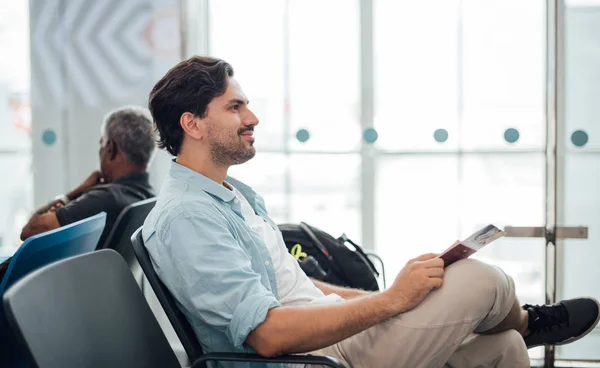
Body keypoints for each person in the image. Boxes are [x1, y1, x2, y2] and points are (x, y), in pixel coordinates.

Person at [143, 56, 600, 368]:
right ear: (193, 123)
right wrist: (392, 301)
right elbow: (268, 335)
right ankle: (531, 320)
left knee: (503, 348)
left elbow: (291, 285)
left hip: (330, 337)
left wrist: (380, 301)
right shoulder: (187, 218)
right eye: (235, 106)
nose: (253, 117)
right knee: (481, 280)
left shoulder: (232, 193)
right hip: (313, 359)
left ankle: (521, 327)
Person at [0, 106, 156, 282]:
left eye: (101, 144)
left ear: (110, 148)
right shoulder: (149, 199)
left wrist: (74, 193)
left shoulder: (104, 199)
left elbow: (30, 230)